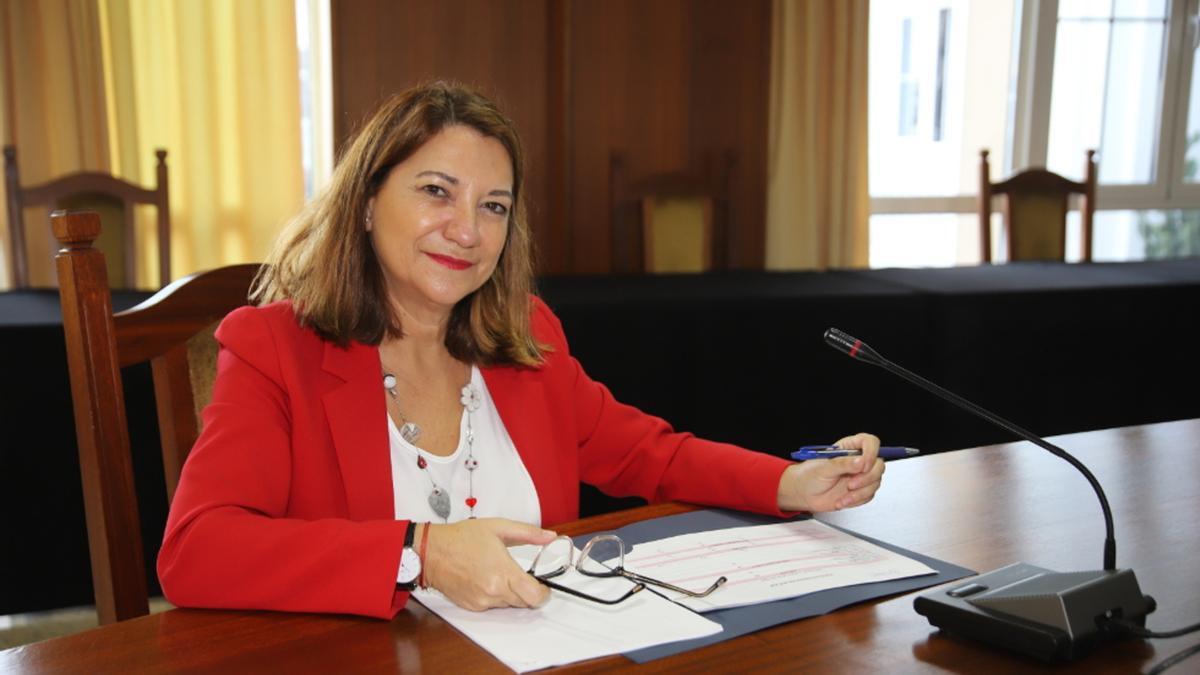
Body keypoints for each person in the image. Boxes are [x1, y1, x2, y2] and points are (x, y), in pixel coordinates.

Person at [157, 81, 885, 619]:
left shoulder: (525, 339)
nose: (467, 230)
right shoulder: (272, 348)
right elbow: (196, 551)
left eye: (493, 206)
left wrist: (787, 484)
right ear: (369, 201)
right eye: (437, 191)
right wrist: (420, 551)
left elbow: (649, 455)